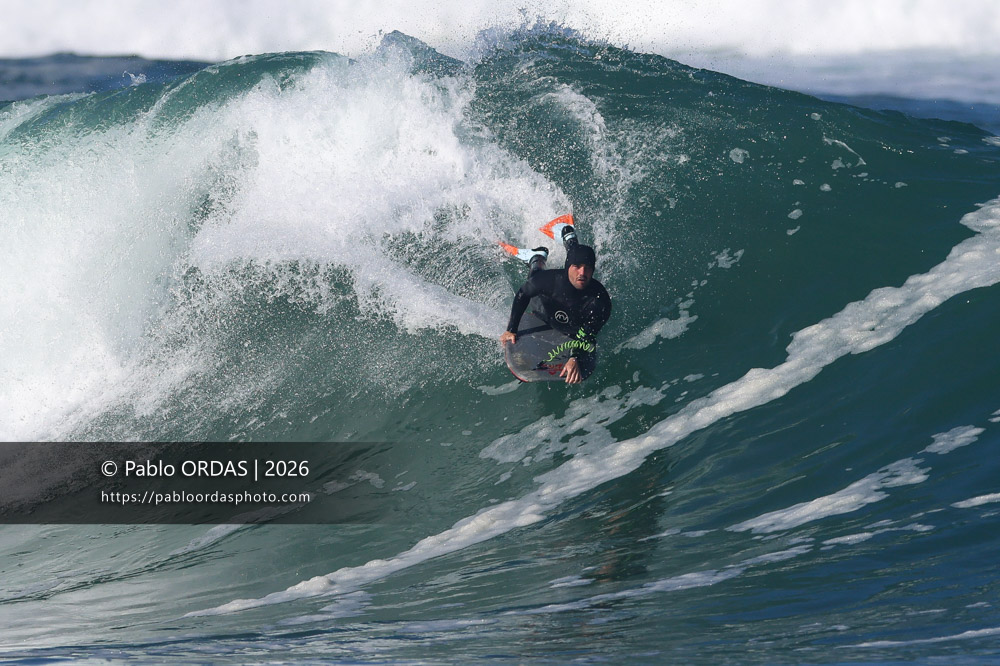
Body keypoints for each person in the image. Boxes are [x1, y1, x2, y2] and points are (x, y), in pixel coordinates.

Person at [500, 225, 612, 383]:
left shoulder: (599, 301)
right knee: (535, 276)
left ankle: (570, 240)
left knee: (577, 258)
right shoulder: (550, 281)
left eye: (587, 268)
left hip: (573, 327)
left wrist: (574, 357)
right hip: (544, 309)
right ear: (568, 267)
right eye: (577, 267)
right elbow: (523, 293)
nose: (582, 273)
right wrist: (511, 329)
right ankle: (537, 257)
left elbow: (588, 333)